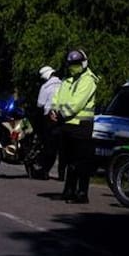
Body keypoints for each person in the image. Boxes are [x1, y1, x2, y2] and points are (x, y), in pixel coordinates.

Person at [49, 48, 98, 204]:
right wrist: (53, 110)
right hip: (66, 124)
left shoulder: (88, 80)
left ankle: (82, 193)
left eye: (76, 64)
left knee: (81, 161)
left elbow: (77, 102)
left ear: (83, 63)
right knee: (68, 160)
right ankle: (69, 191)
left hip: (81, 126)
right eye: (70, 64)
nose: (73, 67)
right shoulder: (68, 79)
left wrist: (61, 114)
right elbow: (58, 96)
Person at [32, 64, 62, 180]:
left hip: (49, 117)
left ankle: (44, 171)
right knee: (58, 147)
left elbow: (40, 104)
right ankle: (61, 174)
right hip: (61, 117)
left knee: (47, 144)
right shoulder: (63, 84)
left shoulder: (45, 86)